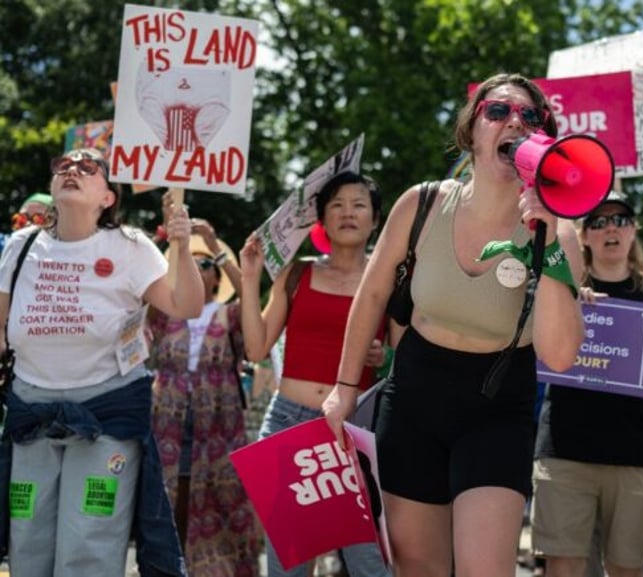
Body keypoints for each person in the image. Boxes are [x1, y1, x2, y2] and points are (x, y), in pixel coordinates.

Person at [323, 72, 585, 577]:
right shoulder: (422, 203)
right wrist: (342, 387)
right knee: (419, 568)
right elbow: (373, 293)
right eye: (498, 111)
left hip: (498, 409)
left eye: (529, 116)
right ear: (472, 130)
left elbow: (559, 354)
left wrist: (548, 241)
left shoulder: (560, 232)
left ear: (542, 138)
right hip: (415, 401)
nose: (514, 121)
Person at [0, 147, 204, 577]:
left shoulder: (131, 246)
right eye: (64, 165)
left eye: (88, 167)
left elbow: (185, 304)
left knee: (89, 542)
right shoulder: (20, 247)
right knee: (27, 541)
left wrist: (182, 248)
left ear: (108, 197)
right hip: (29, 411)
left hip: (107, 414)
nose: (72, 170)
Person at [240, 170, 392, 577]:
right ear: (321, 218)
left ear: (376, 219)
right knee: (288, 564)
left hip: (355, 429)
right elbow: (256, 349)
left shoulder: (389, 281)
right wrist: (251, 276)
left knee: (369, 563)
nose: (347, 213)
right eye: (336, 205)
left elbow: (406, 353)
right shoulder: (296, 274)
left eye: (359, 204)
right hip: (288, 425)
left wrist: (385, 355)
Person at [532, 191, 643, 577]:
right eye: (598, 222)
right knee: (563, 565)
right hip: (566, 451)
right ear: (584, 236)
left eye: (620, 220)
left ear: (633, 230)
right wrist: (569, 302)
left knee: (626, 568)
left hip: (638, 455)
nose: (610, 229)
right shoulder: (559, 290)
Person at [148, 207, 262, 576]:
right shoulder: (164, 315)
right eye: (192, 263)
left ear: (216, 276)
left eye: (207, 264)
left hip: (219, 433)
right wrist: (160, 245)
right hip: (168, 428)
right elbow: (136, 294)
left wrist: (214, 244)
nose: (200, 269)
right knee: (168, 506)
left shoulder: (229, 316)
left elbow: (251, 296)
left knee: (220, 510)